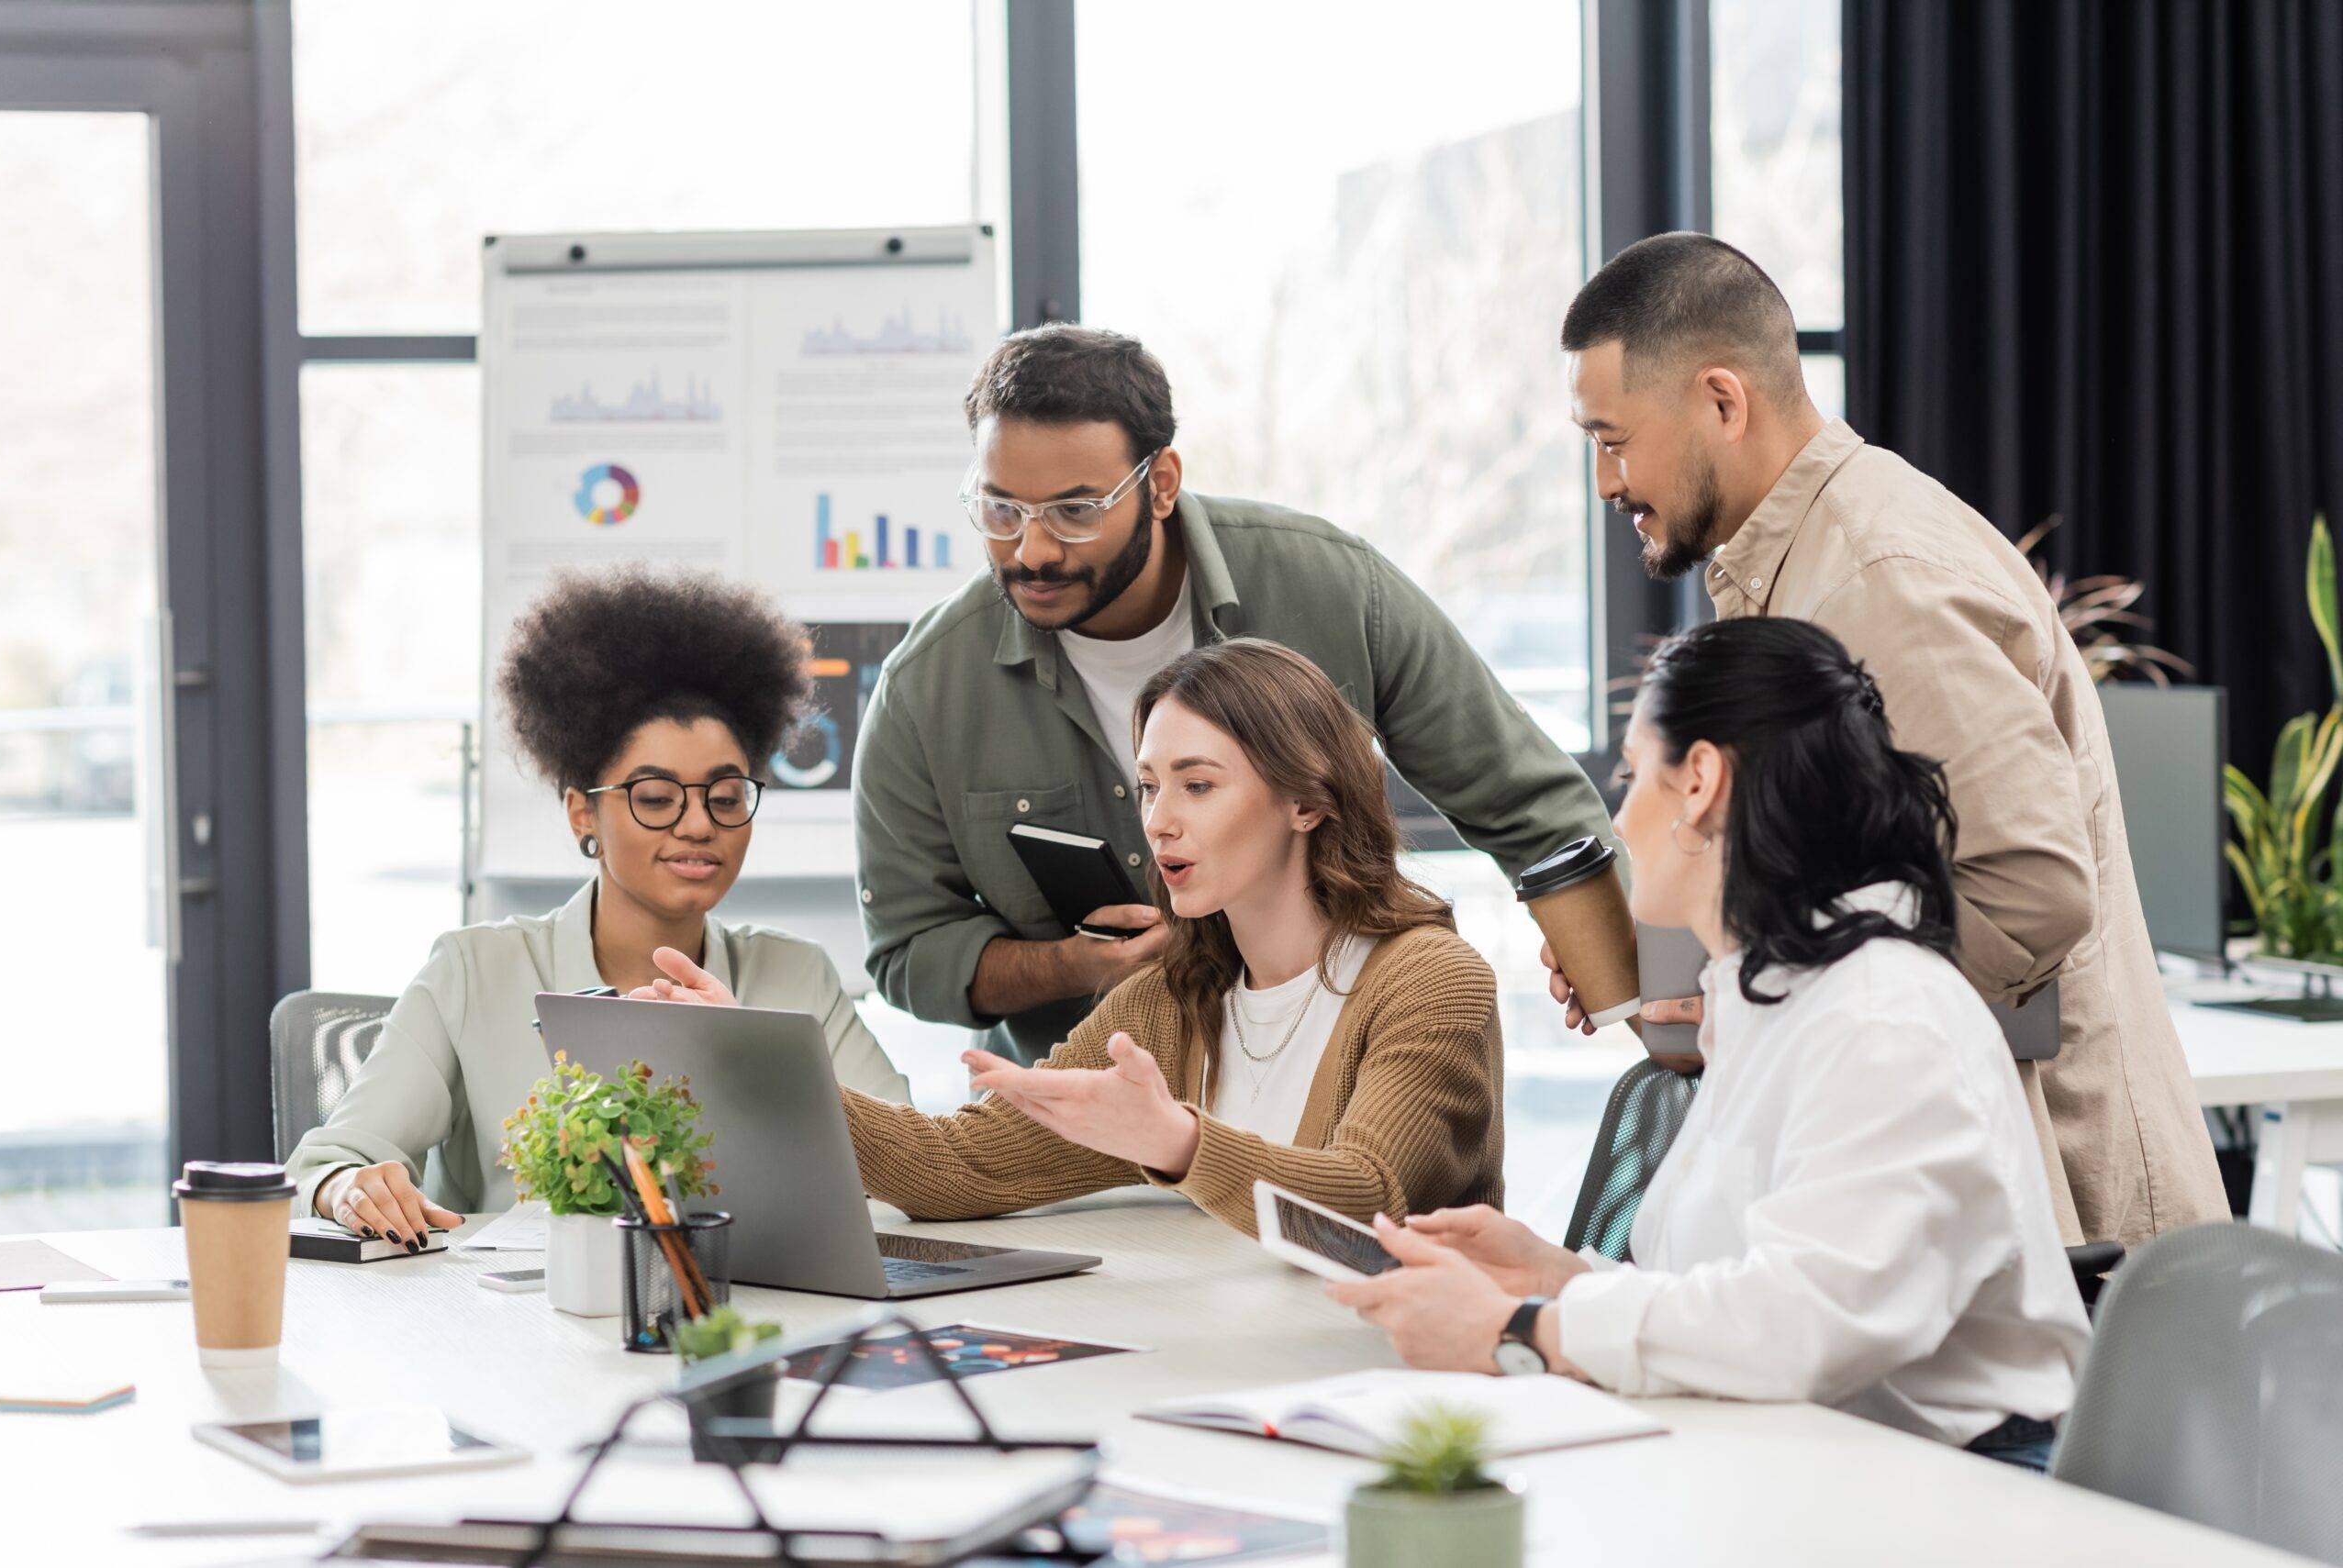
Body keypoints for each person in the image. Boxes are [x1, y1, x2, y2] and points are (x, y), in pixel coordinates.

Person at [1545, 231, 2226, 1251]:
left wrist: (1757, 988)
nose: (1605, 482)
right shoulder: (1798, 563)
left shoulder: (1877, 577)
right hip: (1950, 1168)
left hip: (2056, 1198)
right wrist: (1692, 953)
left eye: (1612, 438)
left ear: (1721, 403)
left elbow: (2030, 891)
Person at [1333, 617, 2092, 1472]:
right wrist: (1556, 1276)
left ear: (1698, 781)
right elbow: (1735, 1299)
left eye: (1630, 774)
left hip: (1955, 1488)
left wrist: (1520, 1330)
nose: (1619, 817)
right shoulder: (1775, 1000)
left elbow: (1804, 1326)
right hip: (1816, 1460)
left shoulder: (1883, 1018)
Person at [852, 324, 1617, 1065]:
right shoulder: (927, 687)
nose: (1035, 549)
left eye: (1076, 512)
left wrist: (1633, 970)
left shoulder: (1329, 586)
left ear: (1160, 485)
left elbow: (1529, 802)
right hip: (1091, 1119)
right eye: (1001, 510)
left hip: (1336, 1077)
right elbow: (908, 950)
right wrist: (1073, 967)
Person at [632, 639, 1504, 1234]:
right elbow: (964, 1167)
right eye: (1150, 786)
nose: (1158, 822)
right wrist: (759, 1062)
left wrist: (1175, 1142)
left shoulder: (1428, 979)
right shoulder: (1175, 996)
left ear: (1307, 801)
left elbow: (1370, 1197)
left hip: (1383, 1395)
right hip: (1225, 1366)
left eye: (1198, 786)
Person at [284, 569, 909, 1244]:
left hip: (745, 1312)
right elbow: (330, 1163)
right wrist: (348, 1186)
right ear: (583, 809)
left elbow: (910, 1163)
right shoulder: (473, 970)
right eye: (656, 795)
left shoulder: (797, 976)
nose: (699, 824)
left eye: (724, 796)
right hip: (514, 1325)